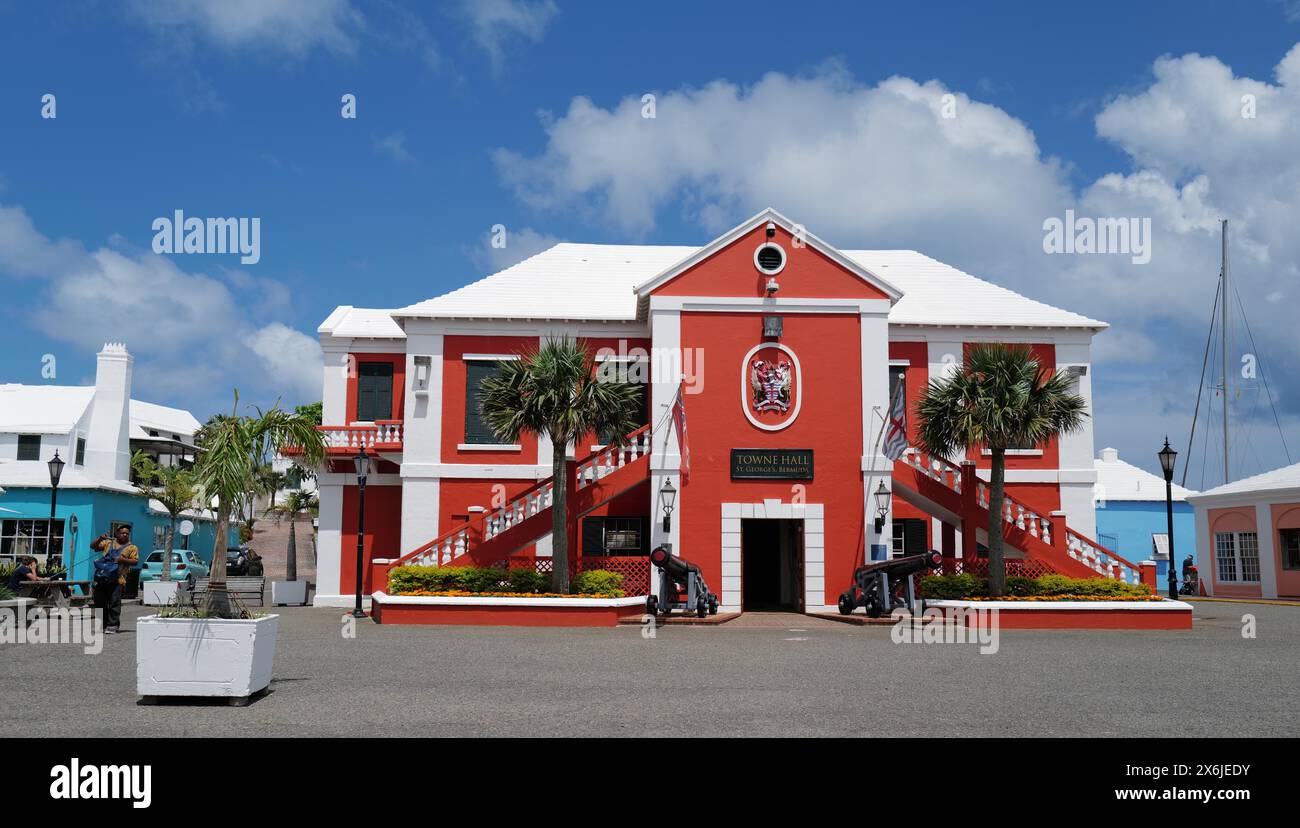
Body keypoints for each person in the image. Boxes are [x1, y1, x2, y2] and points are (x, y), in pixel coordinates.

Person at [90, 526, 139, 634]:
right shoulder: (108, 543)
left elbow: (135, 562)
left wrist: (122, 560)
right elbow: (93, 546)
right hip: (102, 577)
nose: (125, 535)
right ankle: (103, 625)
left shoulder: (132, 547)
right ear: (117, 534)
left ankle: (113, 625)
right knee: (100, 602)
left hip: (118, 579)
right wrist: (100, 539)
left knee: (114, 603)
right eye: (123, 533)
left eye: (127, 533)